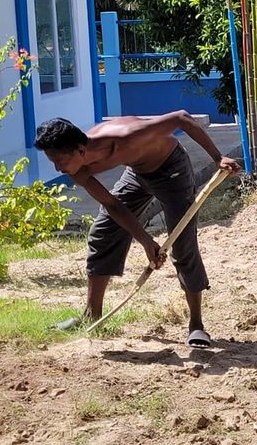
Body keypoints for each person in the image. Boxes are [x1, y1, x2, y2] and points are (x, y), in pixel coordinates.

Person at [34, 111, 240, 348]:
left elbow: (182, 118)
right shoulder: (78, 170)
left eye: (60, 160)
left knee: (182, 244)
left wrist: (217, 157)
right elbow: (112, 204)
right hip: (136, 173)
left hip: (171, 169)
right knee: (103, 231)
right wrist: (145, 240)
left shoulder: (128, 136)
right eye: (53, 162)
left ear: (80, 150)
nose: (58, 169)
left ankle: (196, 326)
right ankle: (92, 315)